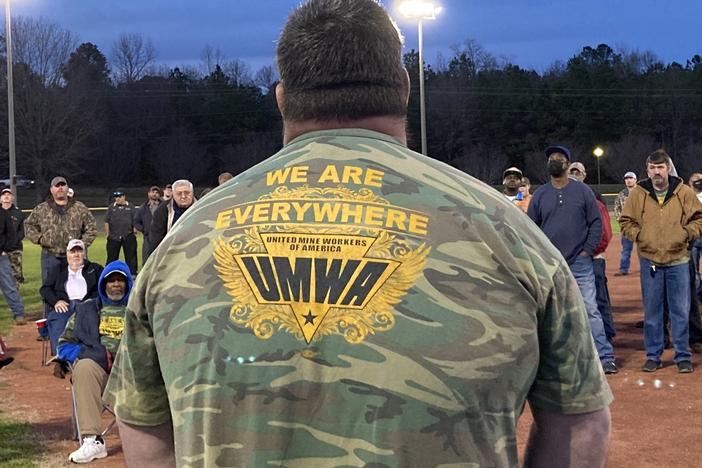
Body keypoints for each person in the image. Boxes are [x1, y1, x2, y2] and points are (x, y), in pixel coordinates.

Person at [105, 2, 612, 467]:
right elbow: (580, 426)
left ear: (283, 99)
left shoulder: (184, 242)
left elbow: (144, 429)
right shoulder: (510, 234)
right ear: (405, 91)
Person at [528, 146, 617, 374]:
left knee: (590, 309)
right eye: (551, 158)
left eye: (559, 158)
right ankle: (559, 359)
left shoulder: (583, 191)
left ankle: (605, 357)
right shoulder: (540, 194)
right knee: (552, 313)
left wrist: (587, 250)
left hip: (580, 261)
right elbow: (531, 228)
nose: (554, 161)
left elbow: (596, 223)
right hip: (551, 264)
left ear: (568, 164)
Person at [620, 150, 702, 373]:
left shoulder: (683, 192)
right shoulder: (638, 193)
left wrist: (686, 234)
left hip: (678, 259)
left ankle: (682, 355)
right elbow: (626, 220)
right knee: (653, 312)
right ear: (647, 171)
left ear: (668, 168)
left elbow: (699, 218)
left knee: (680, 311)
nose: (657, 172)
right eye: (652, 168)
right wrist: (641, 236)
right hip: (650, 260)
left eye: (660, 167)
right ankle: (653, 355)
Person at [53, 261, 133, 464]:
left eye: (120, 280)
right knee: (85, 367)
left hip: (134, 373)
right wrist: (88, 353)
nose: (115, 284)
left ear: (128, 284)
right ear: (103, 284)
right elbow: (63, 344)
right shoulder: (86, 310)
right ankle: (93, 441)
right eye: (111, 280)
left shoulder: (139, 310)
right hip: (101, 373)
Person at [568, 162, 616, 343]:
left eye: (577, 172)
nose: (574, 175)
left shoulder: (594, 198)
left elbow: (604, 233)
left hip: (593, 258)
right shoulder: (564, 202)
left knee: (599, 299)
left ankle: (607, 335)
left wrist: (588, 251)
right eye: (571, 172)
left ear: (584, 175)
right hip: (574, 259)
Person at [25, 176, 97, 283]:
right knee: (50, 288)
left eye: (63, 185)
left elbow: (91, 227)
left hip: (74, 256)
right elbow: (29, 225)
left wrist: (81, 244)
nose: (60, 188)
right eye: (57, 186)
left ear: (67, 188)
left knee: (77, 287)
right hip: (50, 255)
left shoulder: (79, 208)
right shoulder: (42, 209)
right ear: (51, 189)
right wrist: (41, 239)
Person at [40, 239, 103, 355]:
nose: (76, 255)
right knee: (58, 319)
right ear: (67, 254)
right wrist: (56, 301)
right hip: (64, 306)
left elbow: (102, 289)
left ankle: (91, 354)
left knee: (90, 318)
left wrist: (91, 302)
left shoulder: (95, 269)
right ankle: (61, 357)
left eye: (79, 251)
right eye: (73, 252)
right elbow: (45, 289)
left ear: (84, 253)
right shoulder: (58, 269)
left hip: (87, 306)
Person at [147, 179, 195, 256]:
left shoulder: (201, 207)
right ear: (173, 194)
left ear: (192, 193)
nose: (183, 196)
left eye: (187, 193)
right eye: (179, 193)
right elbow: (156, 238)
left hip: (195, 250)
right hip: (171, 253)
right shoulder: (162, 210)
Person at [0, 199, 25, 325]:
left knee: (9, 285)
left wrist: (4, 249)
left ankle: (19, 313)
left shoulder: (3, 214)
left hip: (1, 255)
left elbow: (11, 234)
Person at [105, 189, 138, 275]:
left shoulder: (130, 207)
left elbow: (135, 219)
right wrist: (108, 234)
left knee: (131, 257)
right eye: (116, 197)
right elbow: (106, 221)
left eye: (119, 197)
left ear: (124, 197)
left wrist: (134, 231)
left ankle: (132, 274)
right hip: (114, 237)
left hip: (128, 235)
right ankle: (110, 272)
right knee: (111, 257)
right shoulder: (111, 207)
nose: (117, 199)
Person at [613, 172, 637, 276]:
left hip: (641, 226)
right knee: (626, 250)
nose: (628, 180)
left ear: (635, 180)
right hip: (626, 227)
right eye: (626, 178)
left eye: (631, 178)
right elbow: (617, 208)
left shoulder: (641, 192)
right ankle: (623, 269)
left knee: (646, 250)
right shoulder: (621, 194)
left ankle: (651, 269)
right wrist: (621, 222)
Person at [1, 188, 25, 286]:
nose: (6, 196)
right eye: (4, 194)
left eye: (9, 194)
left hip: (14, 249)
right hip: (0, 249)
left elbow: (22, 231)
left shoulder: (18, 213)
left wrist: (11, 243)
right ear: (0, 198)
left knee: (15, 275)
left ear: (13, 198)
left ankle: (15, 298)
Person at [135, 186, 163, 264]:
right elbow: (136, 221)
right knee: (147, 260)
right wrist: (144, 230)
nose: (155, 194)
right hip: (148, 238)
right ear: (148, 193)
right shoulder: (143, 207)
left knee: (161, 259)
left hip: (161, 237)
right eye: (153, 192)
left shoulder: (164, 206)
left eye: (157, 192)